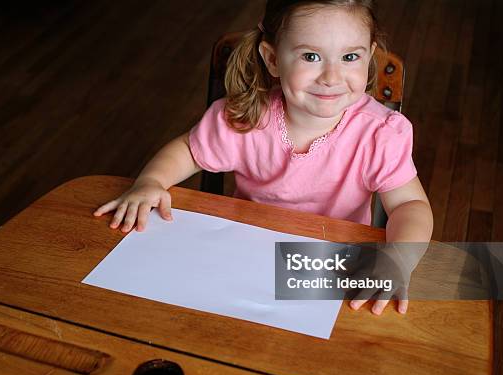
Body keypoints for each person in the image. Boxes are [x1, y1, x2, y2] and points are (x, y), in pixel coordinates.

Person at [94, 0, 433, 314]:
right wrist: (151, 181)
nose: (331, 77)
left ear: (370, 55)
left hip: (330, 271)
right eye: (311, 56)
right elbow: (188, 150)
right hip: (241, 258)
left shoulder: (378, 134)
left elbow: (409, 206)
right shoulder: (247, 117)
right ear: (273, 59)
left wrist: (398, 259)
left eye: (349, 57)